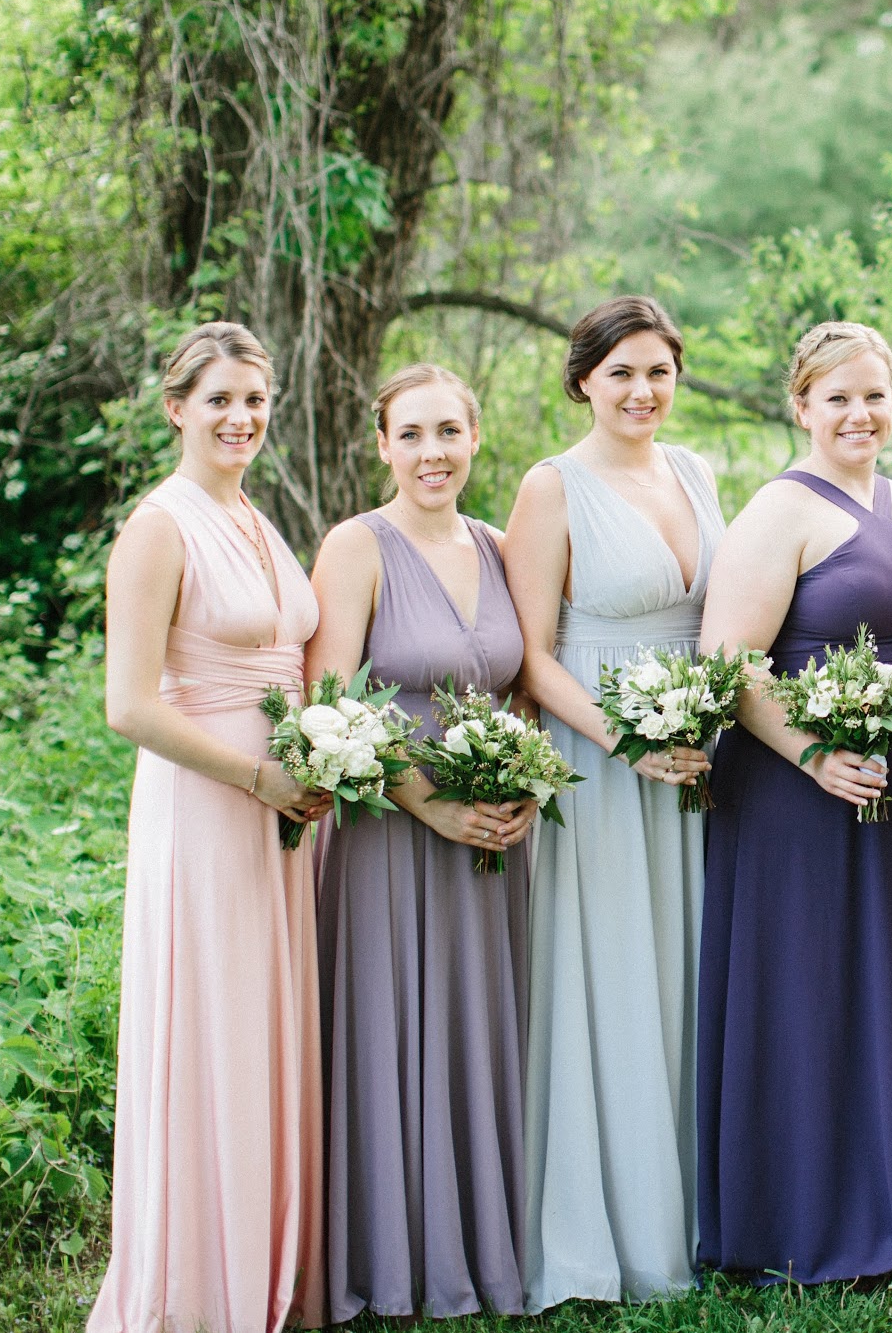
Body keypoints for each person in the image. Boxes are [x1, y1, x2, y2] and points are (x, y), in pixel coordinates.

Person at [695, 321, 892, 1286]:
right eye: (836, 397)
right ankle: (801, 1222)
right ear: (799, 406)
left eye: (874, 396)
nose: (859, 414)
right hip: (794, 794)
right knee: (809, 998)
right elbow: (726, 668)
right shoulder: (777, 511)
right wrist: (815, 757)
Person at [91, 322, 328, 1333]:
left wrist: (323, 753)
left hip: (284, 801)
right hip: (209, 800)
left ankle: (269, 1264)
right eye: (222, 398)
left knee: (269, 1024)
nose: (242, 417)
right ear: (176, 405)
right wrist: (257, 775)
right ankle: (201, 1285)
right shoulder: (160, 526)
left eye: (256, 399)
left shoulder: (255, 515)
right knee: (216, 1024)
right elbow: (130, 706)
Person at [503, 297, 727, 1310]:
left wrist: (701, 726)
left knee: (687, 973)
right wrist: (626, 739)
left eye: (659, 372)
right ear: (583, 377)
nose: (643, 391)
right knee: (611, 977)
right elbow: (530, 654)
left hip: (698, 763)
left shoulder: (697, 471)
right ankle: (603, 1234)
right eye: (622, 372)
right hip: (599, 760)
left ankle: (699, 1208)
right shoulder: (551, 487)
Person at [306, 363, 534, 1321]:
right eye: (412, 434)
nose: (432, 452)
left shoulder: (498, 545)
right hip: (390, 840)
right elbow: (326, 708)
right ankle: (394, 1258)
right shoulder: (356, 546)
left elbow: (523, 679)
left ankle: (489, 1246)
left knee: (482, 1031)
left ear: (474, 438)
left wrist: (514, 774)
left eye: (448, 432)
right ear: (382, 445)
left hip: (492, 834)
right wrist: (427, 803)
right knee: (391, 1031)